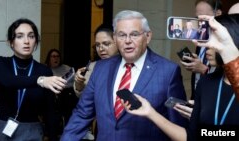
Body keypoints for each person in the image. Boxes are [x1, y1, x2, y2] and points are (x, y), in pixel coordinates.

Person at [60, 10, 188, 141]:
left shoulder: (168, 71)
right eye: (121, 35)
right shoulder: (100, 68)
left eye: (134, 34)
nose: (127, 41)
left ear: (148, 36)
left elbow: (178, 127)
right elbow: (82, 115)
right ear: (115, 38)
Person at [123, 14, 239, 141]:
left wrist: (228, 50)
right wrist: (150, 112)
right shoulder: (206, 83)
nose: (206, 47)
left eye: (215, 40)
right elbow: (191, 137)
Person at [0, 18, 67, 141]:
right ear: (11, 42)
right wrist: (40, 81)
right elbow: (9, 81)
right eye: (20, 36)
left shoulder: (44, 70)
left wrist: (53, 137)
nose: (26, 41)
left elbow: (50, 111)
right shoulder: (1, 63)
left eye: (31, 36)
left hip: (32, 131)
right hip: (4, 128)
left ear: (36, 42)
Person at [73, 24, 119, 140]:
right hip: (101, 122)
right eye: (98, 45)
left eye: (106, 44)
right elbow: (83, 97)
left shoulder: (129, 64)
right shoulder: (93, 67)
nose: (101, 49)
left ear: (118, 42)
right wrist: (79, 83)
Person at [181, 0, 222, 100]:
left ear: (218, 14)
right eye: (197, 18)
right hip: (197, 97)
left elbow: (228, 78)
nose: (200, 21)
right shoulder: (201, 36)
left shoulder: (227, 42)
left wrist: (203, 69)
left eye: (204, 17)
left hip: (215, 100)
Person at [45, 48, 78, 139]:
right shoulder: (45, 69)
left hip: (66, 96)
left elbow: (76, 83)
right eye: (53, 56)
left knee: (68, 121)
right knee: (52, 123)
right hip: (51, 98)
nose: (56, 58)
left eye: (57, 56)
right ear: (49, 58)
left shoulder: (67, 68)